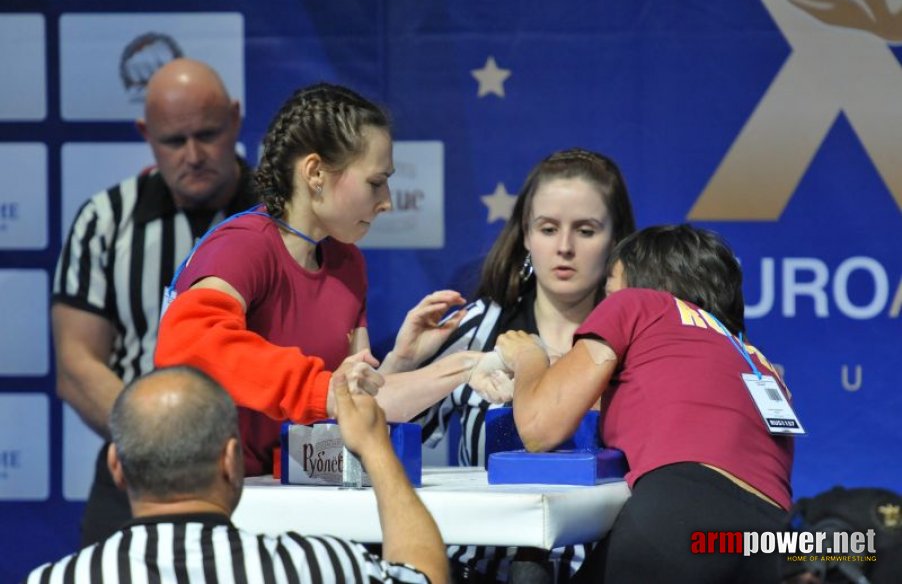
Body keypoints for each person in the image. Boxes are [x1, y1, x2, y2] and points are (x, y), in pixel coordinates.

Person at [154, 82, 491, 478]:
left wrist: (402, 360)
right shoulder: (242, 247)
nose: (386, 201)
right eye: (375, 182)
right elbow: (188, 346)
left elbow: (355, 408)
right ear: (315, 172)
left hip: (296, 492)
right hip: (214, 493)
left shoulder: (347, 262)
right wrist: (323, 391)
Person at [495, 224, 795, 584]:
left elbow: (540, 428)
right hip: (766, 545)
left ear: (643, 283)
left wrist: (530, 356)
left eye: (609, 290)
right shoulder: (753, 359)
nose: (604, 303)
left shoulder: (637, 303)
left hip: (679, 514)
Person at [52, 58, 258, 546]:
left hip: (257, 464)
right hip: (138, 468)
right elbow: (77, 365)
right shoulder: (105, 221)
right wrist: (158, 441)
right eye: (173, 141)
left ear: (235, 118)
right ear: (146, 133)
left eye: (208, 134)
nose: (193, 154)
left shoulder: (285, 217)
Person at [417, 148, 637, 582]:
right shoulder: (477, 327)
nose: (565, 248)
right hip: (477, 569)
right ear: (525, 235)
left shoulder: (641, 338)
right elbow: (389, 429)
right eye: (548, 228)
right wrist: (399, 363)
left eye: (586, 230)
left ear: (615, 240)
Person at [22, 365, 448, 584]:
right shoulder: (314, 566)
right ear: (231, 460)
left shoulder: (58, 579)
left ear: (116, 466)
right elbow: (424, 575)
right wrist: (375, 448)